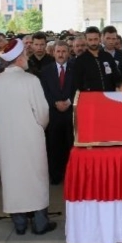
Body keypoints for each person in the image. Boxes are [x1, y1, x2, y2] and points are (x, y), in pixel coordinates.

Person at [0, 39, 56, 235]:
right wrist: (39, 128)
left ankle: (19, 223)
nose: (27, 58)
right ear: (19, 59)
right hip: (30, 138)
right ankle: (40, 223)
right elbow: (42, 112)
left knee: (13, 179)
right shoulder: (30, 80)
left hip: (5, 138)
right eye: (25, 55)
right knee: (35, 178)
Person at [39, 41, 75, 185]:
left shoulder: (75, 68)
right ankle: (55, 175)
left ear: (69, 53)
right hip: (53, 114)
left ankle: (71, 175)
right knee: (54, 146)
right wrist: (54, 103)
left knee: (70, 145)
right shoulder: (45, 71)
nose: (61, 54)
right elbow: (43, 91)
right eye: (58, 51)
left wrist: (69, 101)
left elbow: (79, 87)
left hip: (71, 114)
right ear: (53, 53)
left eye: (64, 51)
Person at [73, 27, 122, 92]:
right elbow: (77, 84)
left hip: (109, 95)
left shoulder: (107, 57)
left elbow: (117, 77)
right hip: (90, 96)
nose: (93, 43)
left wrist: (118, 86)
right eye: (90, 40)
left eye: (95, 39)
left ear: (100, 39)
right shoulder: (80, 60)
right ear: (86, 40)